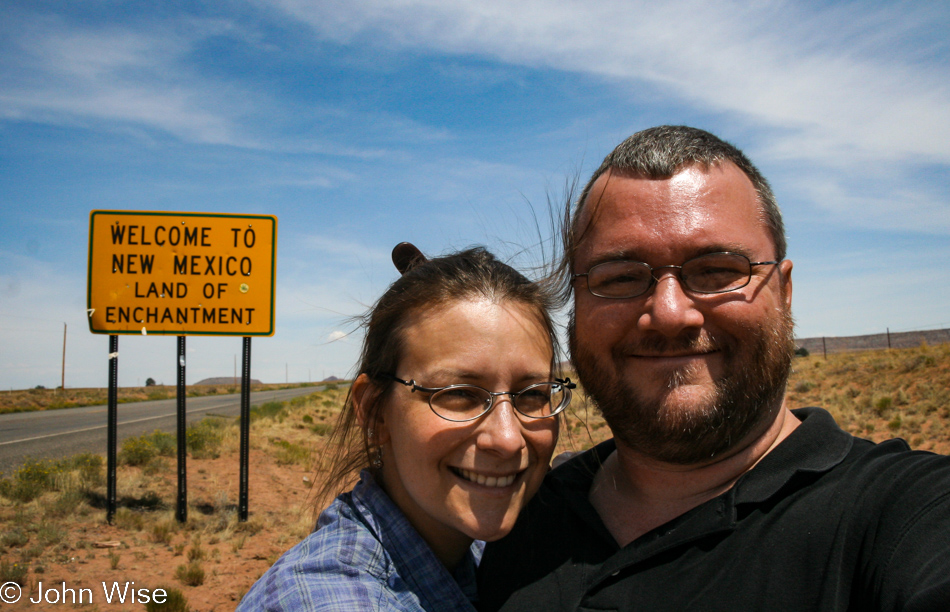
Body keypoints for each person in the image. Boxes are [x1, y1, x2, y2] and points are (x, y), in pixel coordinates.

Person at [477, 126, 950, 611]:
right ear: (575, 305)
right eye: (620, 277)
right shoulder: (510, 515)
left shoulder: (904, 515)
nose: (668, 313)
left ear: (783, 293)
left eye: (717, 270)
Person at [238, 244, 574, 611]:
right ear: (376, 411)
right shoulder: (333, 601)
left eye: (531, 394)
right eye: (458, 393)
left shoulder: (473, 548)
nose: (508, 439)